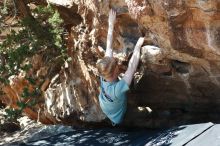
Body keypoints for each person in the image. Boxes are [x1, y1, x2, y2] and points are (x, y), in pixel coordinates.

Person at [96, 9, 145, 125]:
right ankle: (118, 124)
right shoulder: (116, 90)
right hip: (117, 115)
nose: (118, 64)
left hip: (106, 104)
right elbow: (132, 68)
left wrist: (111, 24)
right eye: (117, 65)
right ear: (114, 73)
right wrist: (138, 46)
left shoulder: (104, 71)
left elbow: (109, 47)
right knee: (122, 121)